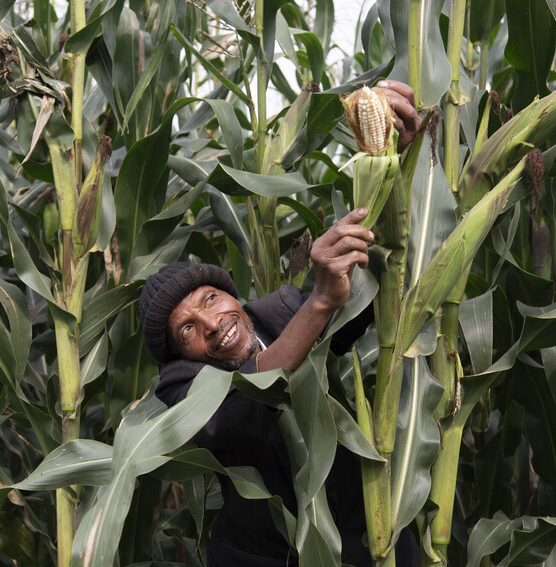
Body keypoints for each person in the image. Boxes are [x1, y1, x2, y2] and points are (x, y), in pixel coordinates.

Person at [138, 81, 421, 566]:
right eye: (187, 330)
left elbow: (383, 290)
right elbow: (250, 398)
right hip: (272, 556)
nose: (210, 322)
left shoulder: (278, 311)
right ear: (180, 355)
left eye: (210, 298)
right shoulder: (179, 390)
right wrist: (319, 304)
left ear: (233, 294)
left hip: (373, 537)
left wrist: (396, 161)